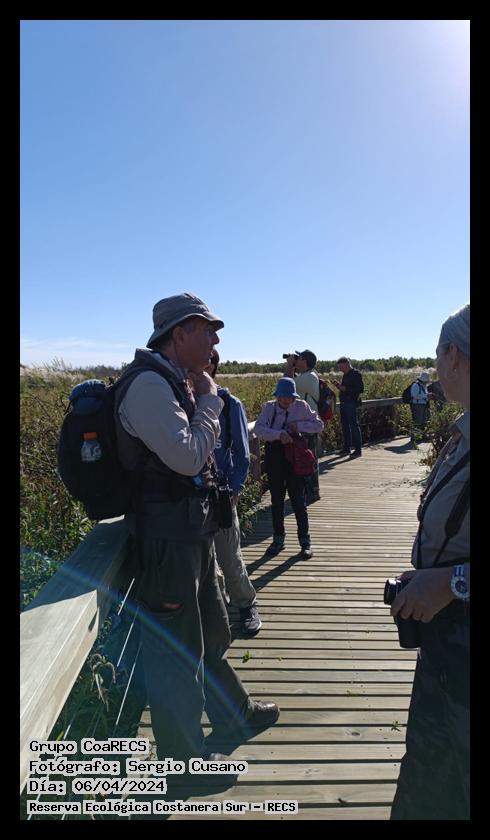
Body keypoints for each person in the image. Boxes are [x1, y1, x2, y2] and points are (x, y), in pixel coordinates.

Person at [114, 293, 279, 775]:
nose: (215, 341)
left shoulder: (173, 381)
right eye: (207, 331)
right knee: (176, 654)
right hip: (168, 544)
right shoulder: (148, 385)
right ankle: (183, 765)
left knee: (211, 631)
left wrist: (202, 395)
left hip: (193, 534)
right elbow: (187, 456)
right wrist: (209, 400)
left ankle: (235, 713)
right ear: (178, 334)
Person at [389, 303, 470, 821]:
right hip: (447, 653)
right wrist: (430, 576)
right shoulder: (463, 432)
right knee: (430, 778)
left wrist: (451, 583)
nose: (436, 366)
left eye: (438, 354)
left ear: (454, 354)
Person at [205, 349, 262, 636]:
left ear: (213, 367)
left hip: (222, 495)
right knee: (207, 563)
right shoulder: (180, 402)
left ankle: (246, 603)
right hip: (191, 500)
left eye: (208, 361)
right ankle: (221, 606)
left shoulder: (229, 404)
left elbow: (242, 453)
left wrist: (235, 489)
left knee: (229, 558)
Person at [254, 377, 323, 559]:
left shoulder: (301, 406)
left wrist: (298, 426)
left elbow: (319, 425)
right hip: (275, 456)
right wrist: (279, 434)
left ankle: (305, 542)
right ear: (277, 396)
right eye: (282, 397)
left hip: (295, 457)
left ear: (294, 397)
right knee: (277, 501)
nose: (285, 400)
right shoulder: (269, 408)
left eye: (289, 397)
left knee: (298, 501)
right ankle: (278, 540)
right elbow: (258, 430)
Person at [284, 350, 321, 503]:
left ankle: (311, 492)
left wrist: (289, 365)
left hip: (306, 427)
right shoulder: (308, 376)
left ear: (304, 361)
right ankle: (308, 491)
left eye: (298, 358)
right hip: (305, 425)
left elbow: (285, 385)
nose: (296, 360)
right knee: (306, 457)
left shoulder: (309, 377)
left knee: (307, 458)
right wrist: (293, 365)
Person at [331, 357, 364, 458]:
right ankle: (346, 449)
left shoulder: (356, 374)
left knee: (354, 426)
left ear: (347, 364)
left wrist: (344, 388)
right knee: (345, 426)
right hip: (344, 403)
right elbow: (344, 389)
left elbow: (360, 389)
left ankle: (358, 450)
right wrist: (338, 386)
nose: (340, 369)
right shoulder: (345, 375)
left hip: (351, 403)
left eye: (341, 367)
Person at [409, 370, 431, 442]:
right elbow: (414, 395)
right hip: (417, 405)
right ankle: (414, 437)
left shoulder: (424, 386)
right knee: (417, 421)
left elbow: (423, 395)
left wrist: (427, 396)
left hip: (423, 404)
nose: (427, 382)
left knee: (424, 421)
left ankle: (421, 436)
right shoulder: (415, 385)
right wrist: (426, 396)